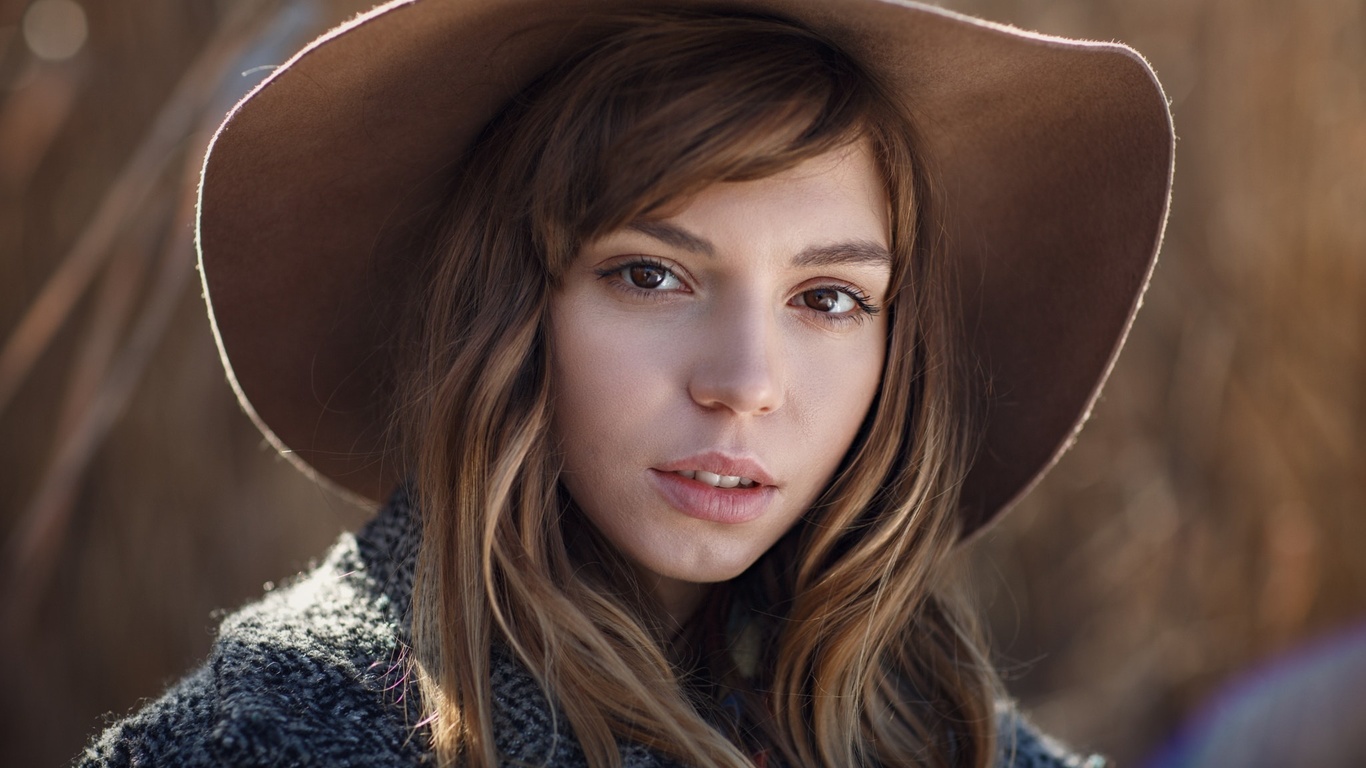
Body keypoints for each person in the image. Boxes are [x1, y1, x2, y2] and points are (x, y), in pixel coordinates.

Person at [77, 1, 1172, 766]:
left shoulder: (915, 720)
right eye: (650, 275)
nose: (744, 385)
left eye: (828, 298)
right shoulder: (271, 736)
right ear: (508, 313)